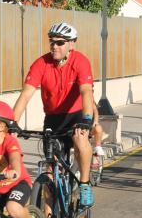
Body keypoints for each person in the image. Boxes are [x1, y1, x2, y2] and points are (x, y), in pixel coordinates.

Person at [13, 22, 95, 207]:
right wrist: (12, 122)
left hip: (76, 115)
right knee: (51, 170)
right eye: (52, 42)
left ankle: (84, 183)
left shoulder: (80, 61)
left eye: (60, 42)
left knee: (81, 140)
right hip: (53, 118)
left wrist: (87, 120)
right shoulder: (41, 63)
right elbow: (26, 94)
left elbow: (86, 92)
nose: (54, 46)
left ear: (71, 44)